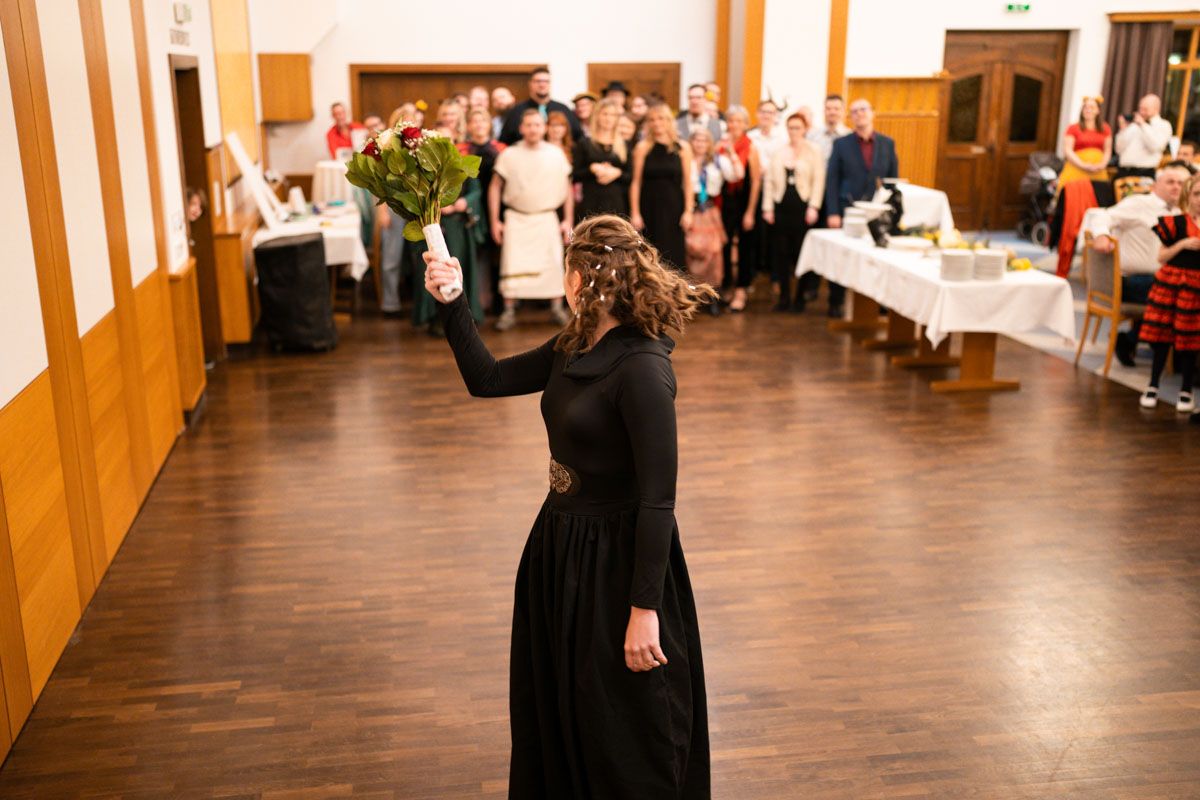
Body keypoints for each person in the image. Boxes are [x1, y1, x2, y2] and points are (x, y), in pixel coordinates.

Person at [422, 212, 713, 798]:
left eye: (567, 268)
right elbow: (488, 379)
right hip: (561, 545)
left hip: (616, 563)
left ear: (583, 277)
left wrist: (643, 610)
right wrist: (452, 302)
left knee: (619, 722)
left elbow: (659, 501)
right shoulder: (575, 344)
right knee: (565, 703)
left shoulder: (643, 369)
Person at [1088, 162, 1188, 366]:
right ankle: (1140, 341)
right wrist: (1101, 235)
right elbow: (1101, 215)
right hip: (1130, 281)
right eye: (1170, 182)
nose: (1176, 187)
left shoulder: (1183, 212)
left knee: (1183, 290)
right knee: (1178, 293)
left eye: (1180, 183)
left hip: (1163, 279)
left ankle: (1147, 341)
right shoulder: (1139, 204)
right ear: (1156, 185)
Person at [490, 109, 574, 330]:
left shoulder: (556, 154)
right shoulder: (509, 154)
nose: (533, 129)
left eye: (537, 124)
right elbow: (495, 188)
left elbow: (567, 188)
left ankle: (557, 308)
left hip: (547, 217)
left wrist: (568, 221)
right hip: (517, 218)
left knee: (553, 266)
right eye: (528, 125)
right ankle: (508, 311)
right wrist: (494, 222)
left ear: (544, 127)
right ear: (521, 128)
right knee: (513, 264)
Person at [408, 100, 483, 333]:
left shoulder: (462, 165)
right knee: (435, 271)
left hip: (458, 226)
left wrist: (461, 203)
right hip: (433, 227)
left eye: (448, 140)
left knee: (457, 268)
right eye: (438, 140)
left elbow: (476, 192)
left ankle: (464, 316)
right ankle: (436, 318)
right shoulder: (421, 168)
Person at [1139, 172, 1200, 412]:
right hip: (1172, 282)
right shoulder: (1176, 223)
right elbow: (1161, 256)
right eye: (1196, 194)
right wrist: (1182, 244)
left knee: (1189, 339)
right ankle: (1152, 384)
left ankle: (1185, 390)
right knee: (1162, 336)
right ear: (1188, 196)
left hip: (1196, 287)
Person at [763, 111, 824, 313]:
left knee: (801, 254)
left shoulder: (814, 151)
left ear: (805, 129)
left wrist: (814, 206)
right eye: (790, 127)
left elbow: (818, 182)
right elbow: (769, 182)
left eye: (798, 127)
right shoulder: (779, 151)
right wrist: (768, 208)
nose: (794, 131)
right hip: (781, 208)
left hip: (803, 209)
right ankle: (784, 298)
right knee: (781, 255)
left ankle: (800, 298)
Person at [631, 103, 693, 270]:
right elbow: (636, 182)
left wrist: (688, 211)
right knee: (649, 254)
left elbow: (688, 182)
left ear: (669, 121)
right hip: (649, 206)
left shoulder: (683, 148)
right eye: (652, 119)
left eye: (661, 119)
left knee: (674, 253)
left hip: (674, 207)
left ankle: (673, 295)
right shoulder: (642, 148)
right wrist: (635, 212)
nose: (657, 123)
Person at [686, 127, 742, 311]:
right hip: (690, 208)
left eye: (704, 141)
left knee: (714, 253)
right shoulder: (686, 160)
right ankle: (692, 295)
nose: (700, 144)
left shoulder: (718, 161)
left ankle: (712, 296)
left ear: (709, 144)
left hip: (710, 210)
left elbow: (738, 175)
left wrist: (731, 152)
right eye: (697, 140)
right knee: (692, 250)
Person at [465, 108, 507, 314]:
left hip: (497, 206)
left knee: (496, 256)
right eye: (475, 121)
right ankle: (475, 302)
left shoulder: (501, 149)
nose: (479, 125)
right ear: (468, 126)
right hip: (470, 206)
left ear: (490, 125)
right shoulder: (461, 150)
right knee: (474, 255)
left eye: (483, 121)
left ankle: (498, 303)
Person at [720, 105, 762, 312]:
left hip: (744, 201)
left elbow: (755, 182)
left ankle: (741, 289)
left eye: (739, 121)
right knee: (725, 245)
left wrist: (750, 212)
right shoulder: (721, 145)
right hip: (725, 202)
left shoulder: (751, 147)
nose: (734, 125)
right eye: (731, 120)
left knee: (745, 247)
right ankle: (727, 284)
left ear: (745, 125)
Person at [746, 100, 787, 290]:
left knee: (775, 236)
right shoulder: (750, 136)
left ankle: (776, 277)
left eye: (770, 112)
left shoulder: (782, 138)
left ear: (776, 116)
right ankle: (751, 275)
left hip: (776, 191)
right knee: (753, 235)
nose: (766, 116)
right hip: (754, 189)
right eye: (763, 112)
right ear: (757, 114)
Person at [574, 99, 631, 220]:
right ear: (597, 116)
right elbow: (575, 175)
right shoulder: (585, 143)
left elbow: (631, 176)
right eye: (605, 114)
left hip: (617, 205)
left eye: (612, 115)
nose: (608, 118)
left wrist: (617, 173)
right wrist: (591, 168)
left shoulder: (624, 144)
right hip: (591, 203)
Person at [498, 67, 583, 145]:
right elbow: (503, 142)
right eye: (538, 81)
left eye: (546, 81)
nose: (542, 85)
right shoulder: (516, 111)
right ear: (530, 84)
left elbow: (578, 138)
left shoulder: (563, 110)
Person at [1115, 94, 1173, 180]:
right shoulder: (1133, 125)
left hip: (1144, 173)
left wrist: (1143, 125)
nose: (1141, 112)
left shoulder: (1164, 125)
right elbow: (1118, 149)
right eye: (1140, 108)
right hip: (1124, 171)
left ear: (1156, 109)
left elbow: (1155, 147)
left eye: (1145, 109)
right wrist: (1123, 129)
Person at [1058, 96, 1112, 187]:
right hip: (1076, 169)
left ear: (1098, 110)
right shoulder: (1073, 128)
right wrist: (1083, 165)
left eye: (1092, 107)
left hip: (1098, 172)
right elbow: (1068, 150)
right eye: (1085, 107)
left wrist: (1102, 165)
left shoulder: (1105, 128)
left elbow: (1108, 150)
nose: (1088, 110)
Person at [808, 94, 851, 163]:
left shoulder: (850, 136)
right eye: (828, 109)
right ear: (824, 111)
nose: (832, 112)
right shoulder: (812, 135)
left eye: (836, 109)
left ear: (843, 111)